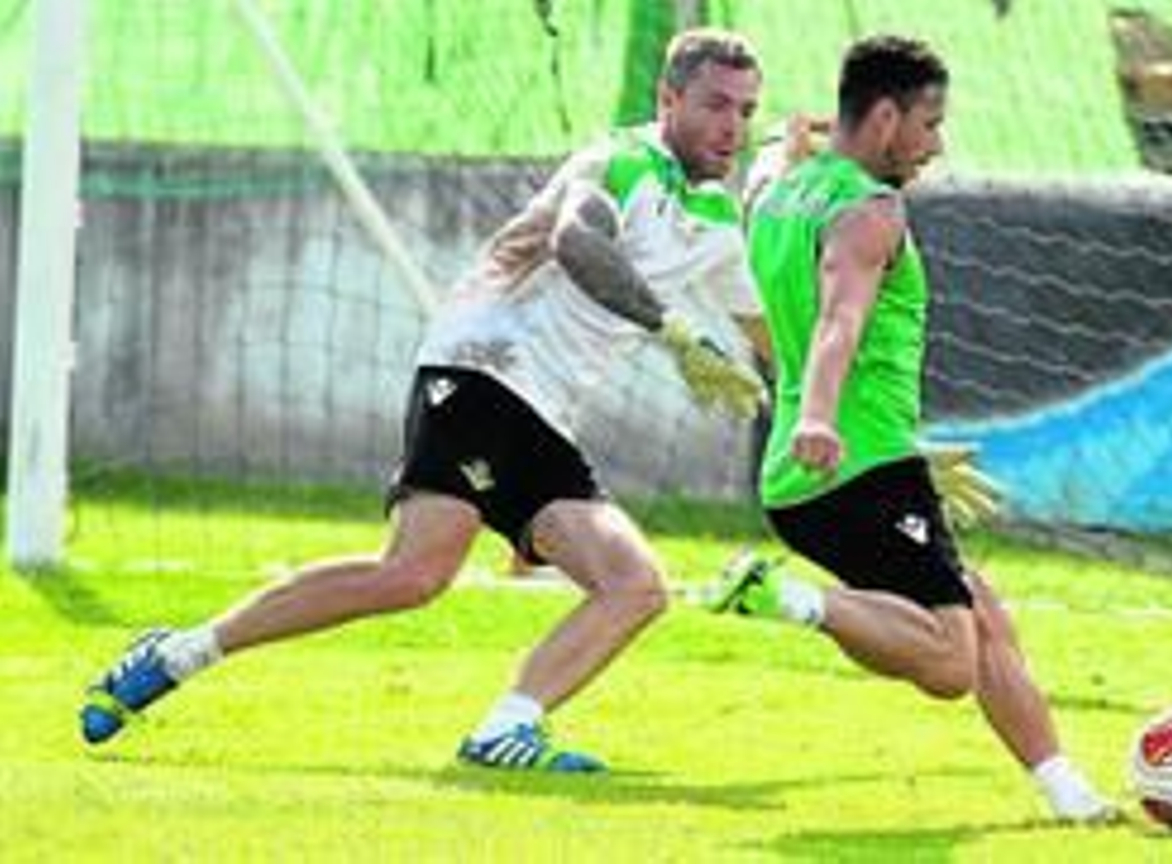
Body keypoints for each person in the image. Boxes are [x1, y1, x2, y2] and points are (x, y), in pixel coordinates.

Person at [79, 28, 768, 774]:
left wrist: (828, 417)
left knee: (626, 586)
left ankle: (500, 728)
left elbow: (769, 338)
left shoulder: (718, 222)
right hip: (478, 375)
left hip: (542, 414)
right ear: (668, 99)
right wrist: (673, 334)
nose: (733, 126)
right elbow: (577, 242)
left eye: (747, 109)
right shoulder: (618, 161)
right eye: (715, 105)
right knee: (423, 575)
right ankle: (186, 654)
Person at [708, 34, 1117, 821]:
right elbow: (839, 321)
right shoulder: (872, 211)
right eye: (929, 124)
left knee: (983, 613)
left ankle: (1069, 795)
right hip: (855, 461)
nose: (938, 145)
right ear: (886, 116)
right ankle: (789, 600)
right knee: (950, 658)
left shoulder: (780, 192)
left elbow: (768, 158)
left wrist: (796, 140)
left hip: (814, 473)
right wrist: (825, 418)